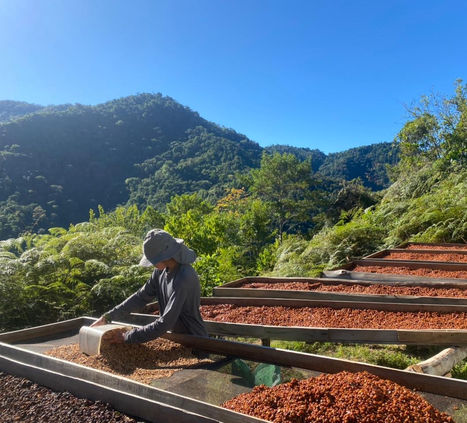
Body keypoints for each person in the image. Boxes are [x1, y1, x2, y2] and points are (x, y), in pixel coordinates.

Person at [91, 229, 208, 344]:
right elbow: (140, 297)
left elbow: (165, 323)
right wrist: (107, 317)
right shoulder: (160, 273)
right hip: (175, 339)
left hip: (194, 341)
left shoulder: (184, 277)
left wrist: (126, 336)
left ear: (164, 256)